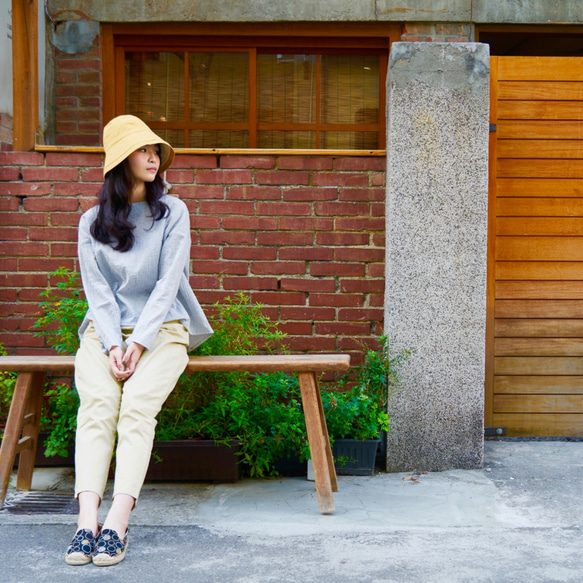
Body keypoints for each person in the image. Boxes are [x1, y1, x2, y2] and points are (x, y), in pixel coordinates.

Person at [65, 115, 213, 567]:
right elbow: (98, 294)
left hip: (164, 329)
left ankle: (117, 520)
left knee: (135, 409)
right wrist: (113, 344)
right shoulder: (91, 222)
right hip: (104, 334)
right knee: (96, 407)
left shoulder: (173, 212)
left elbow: (169, 283)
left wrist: (141, 342)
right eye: (143, 150)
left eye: (156, 151)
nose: (153, 158)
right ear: (119, 161)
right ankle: (85, 523)